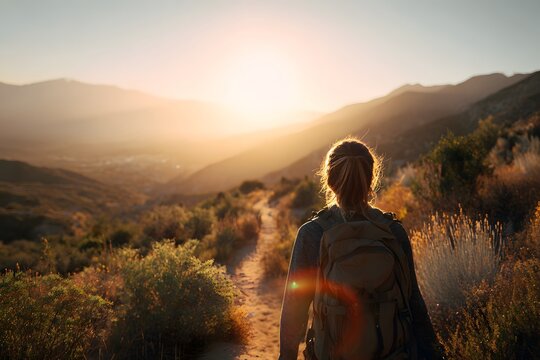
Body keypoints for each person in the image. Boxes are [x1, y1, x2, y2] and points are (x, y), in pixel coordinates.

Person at [278, 138, 442, 360]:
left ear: (329, 181)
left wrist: (285, 357)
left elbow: (294, 309)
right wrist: (433, 353)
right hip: (392, 353)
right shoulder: (393, 231)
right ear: (372, 179)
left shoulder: (312, 233)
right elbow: (413, 301)